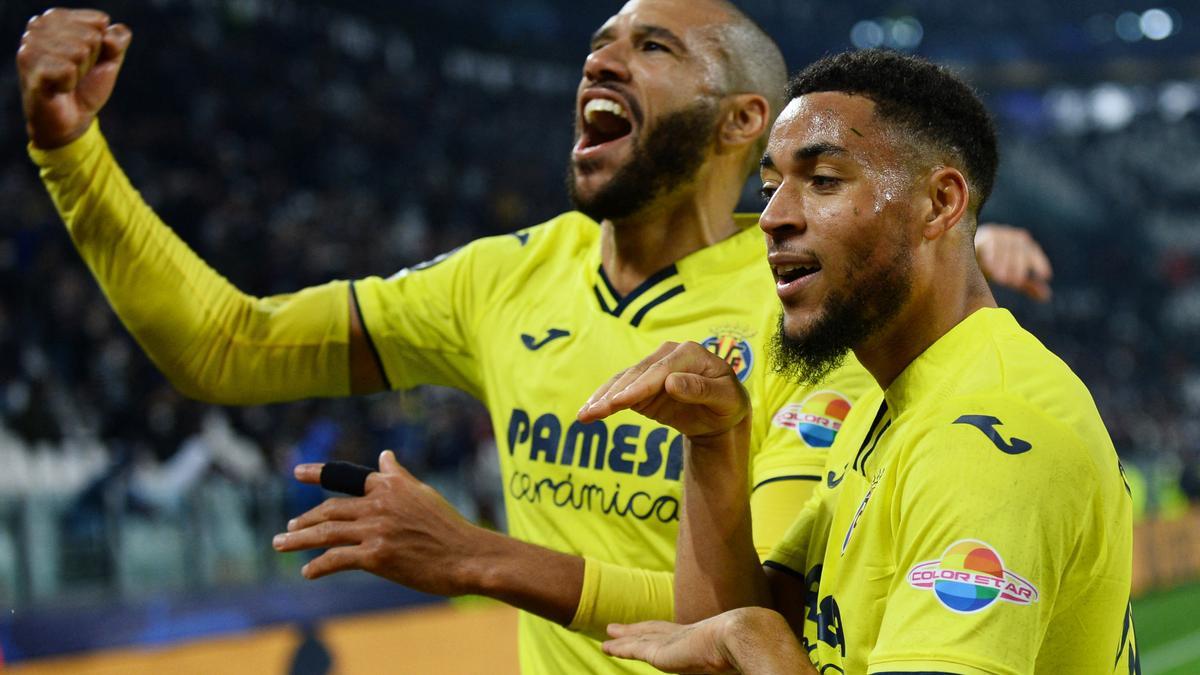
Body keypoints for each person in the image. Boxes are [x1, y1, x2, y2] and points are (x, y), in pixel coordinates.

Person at [18, 4, 1051, 673]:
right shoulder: (503, 277)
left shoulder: (806, 307)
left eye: (654, 46)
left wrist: (480, 558)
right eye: (601, 41)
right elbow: (226, 348)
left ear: (744, 122)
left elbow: (779, 611)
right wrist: (70, 151)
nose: (603, 56)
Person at [584, 50, 1137, 674]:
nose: (772, 218)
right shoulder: (885, 406)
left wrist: (754, 643)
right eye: (769, 189)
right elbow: (733, 624)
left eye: (822, 180)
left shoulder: (986, 436)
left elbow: (746, 642)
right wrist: (715, 444)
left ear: (938, 204)